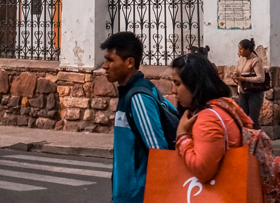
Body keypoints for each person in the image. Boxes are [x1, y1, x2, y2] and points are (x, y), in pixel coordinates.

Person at [102, 32, 171, 203]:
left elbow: (158, 151)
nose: (104, 66)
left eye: (111, 60)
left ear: (129, 63)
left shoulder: (138, 97)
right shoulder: (134, 91)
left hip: (137, 195)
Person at [172, 51, 252, 183]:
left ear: (194, 85)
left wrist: (182, 136)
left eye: (177, 83)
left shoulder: (207, 119)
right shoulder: (222, 106)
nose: (173, 90)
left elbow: (202, 170)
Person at [235, 38, 267, 130]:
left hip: (254, 93)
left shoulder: (255, 60)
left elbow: (261, 78)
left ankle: (258, 139)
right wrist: (235, 75)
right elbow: (237, 70)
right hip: (243, 91)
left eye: (241, 49)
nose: (239, 51)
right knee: (243, 117)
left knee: (253, 118)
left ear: (247, 50)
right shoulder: (241, 59)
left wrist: (245, 79)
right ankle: (247, 138)